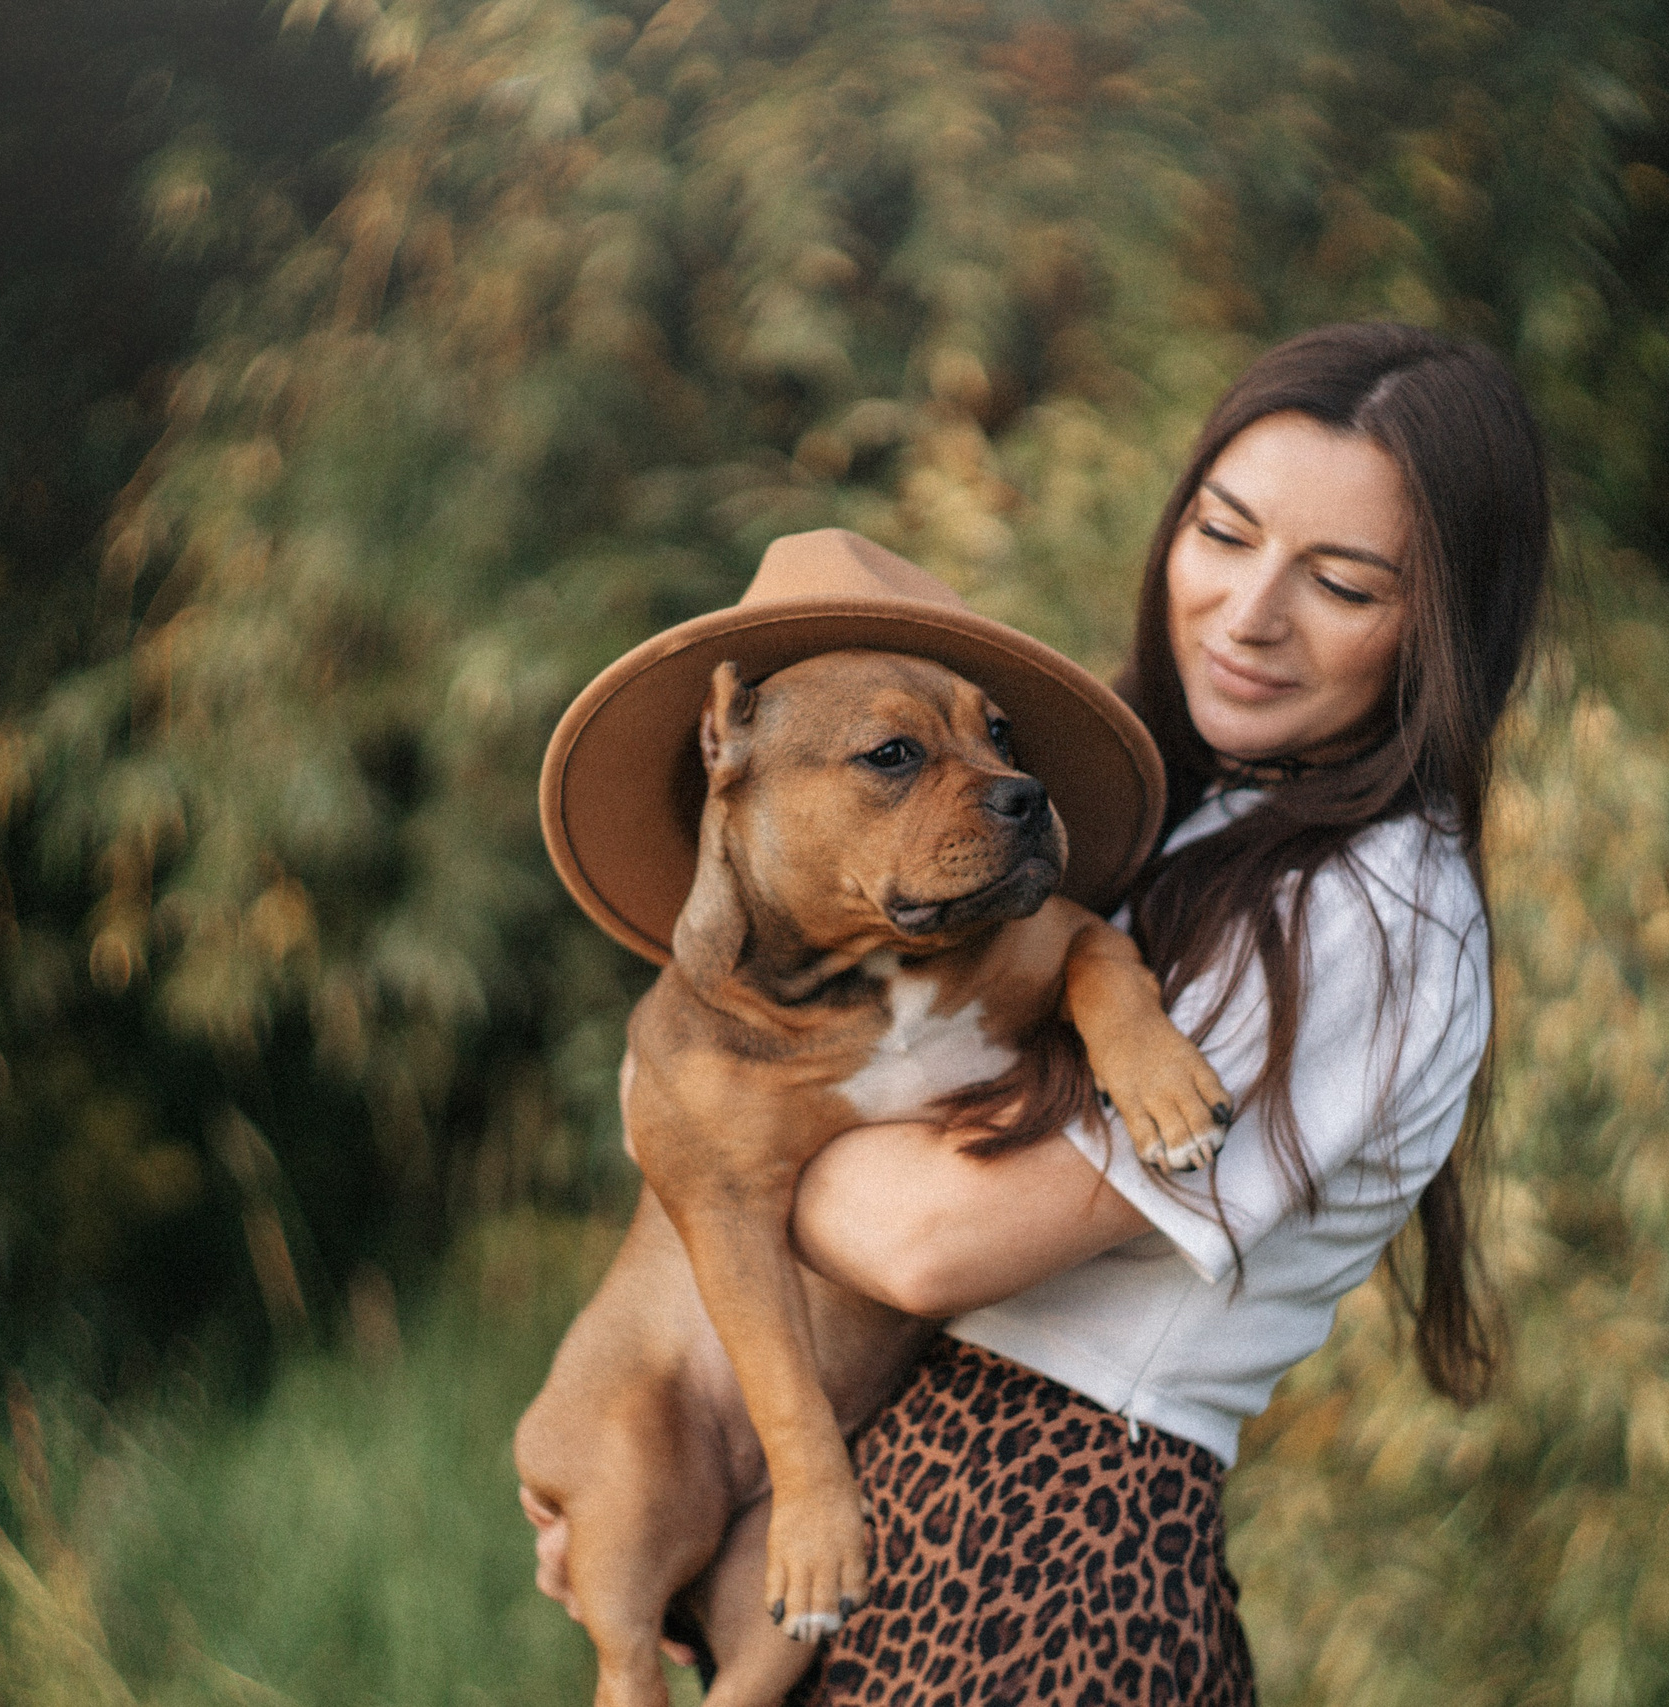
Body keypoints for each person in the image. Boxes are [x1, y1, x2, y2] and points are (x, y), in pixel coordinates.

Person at [535, 320, 1551, 1705]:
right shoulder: (1199, 824)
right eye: (1225, 532)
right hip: (887, 1553)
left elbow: (929, 1242)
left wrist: (692, 1137)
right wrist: (648, 1498)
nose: (1251, 612)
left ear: (1437, 629)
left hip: (1051, 1583)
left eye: (1342, 582)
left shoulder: (1375, 912)